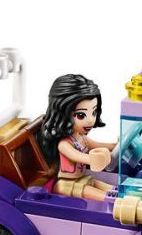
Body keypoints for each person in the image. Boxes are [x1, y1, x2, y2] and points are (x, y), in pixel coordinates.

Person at [37, 74, 118, 202]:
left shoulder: (81, 138)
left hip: (81, 179)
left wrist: (116, 145)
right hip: (66, 185)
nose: (91, 120)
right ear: (63, 114)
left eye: (94, 112)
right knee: (104, 196)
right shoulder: (64, 144)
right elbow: (79, 157)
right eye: (81, 115)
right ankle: (118, 202)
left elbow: (98, 145)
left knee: (109, 188)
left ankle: (123, 195)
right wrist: (94, 159)